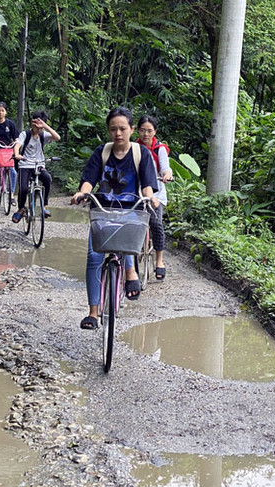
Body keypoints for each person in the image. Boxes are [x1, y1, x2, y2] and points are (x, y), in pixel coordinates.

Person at [71, 106, 160, 330]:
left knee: (128, 235)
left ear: (131, 129)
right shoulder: (102, 152)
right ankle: (93, 312)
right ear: (108, 131)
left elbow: (148, 184)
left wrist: (150, 199)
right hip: (102, 210)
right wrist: (82, 192)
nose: (118, 133)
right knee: (94, 257)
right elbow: (89, 179)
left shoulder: (142, 154)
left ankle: (130, 271)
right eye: (113, 129)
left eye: (122, 128)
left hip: (132, 210)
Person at [136, 115, 173, 280]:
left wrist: (167, 175)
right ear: (137, 131)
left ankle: (159, 261)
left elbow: (166, 168)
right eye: (142, 130)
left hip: (156, 193)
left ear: (155, 132)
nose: (146, 134)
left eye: (149, 131)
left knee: (156, 224)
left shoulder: (160, 149)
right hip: (135, 192)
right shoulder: (133, 147)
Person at [11, 110, 61, 223]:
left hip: (39, 164)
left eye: (41, 126)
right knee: (23, 188)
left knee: (47, 179)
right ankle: (21, 209)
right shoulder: (25, 134)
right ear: (32, 123)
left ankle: (44, 207)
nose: (39, 128)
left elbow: (57, 137)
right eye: (37, 125)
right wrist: (17, 154)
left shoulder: (44, 135)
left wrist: (45, 125)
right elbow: (17, 144)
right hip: (25, 165)